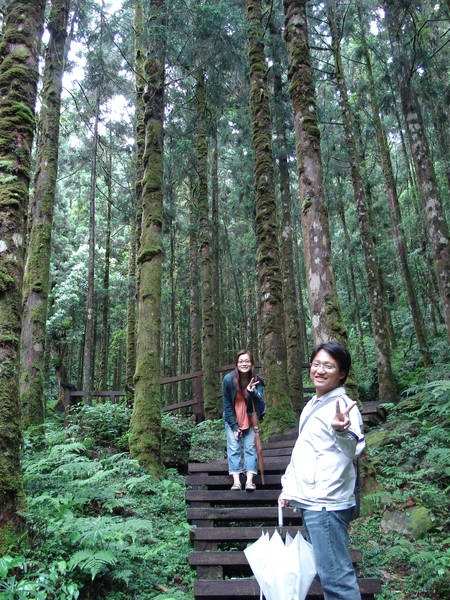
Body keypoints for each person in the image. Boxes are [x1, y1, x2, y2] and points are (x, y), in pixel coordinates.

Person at [279, 341, 366, 600]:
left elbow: (353, 448)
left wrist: (343, 430)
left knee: (337, 582)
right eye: (316, 364)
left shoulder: (344, 406)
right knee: (331, 576)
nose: (320, 370)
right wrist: (289, 488)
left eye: (329, 366)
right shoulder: (313, 404)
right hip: (313, 502)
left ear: (341, 373)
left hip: (326, 504)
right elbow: (305, 453)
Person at [223, 350, 265, 491]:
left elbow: (259, 403)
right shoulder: (228, 380)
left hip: (250, 418)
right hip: (233, 418)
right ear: (236, 364)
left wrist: (252, 392)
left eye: (247, 361)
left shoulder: (257, 380)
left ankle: (249, 481)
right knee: (234, 448)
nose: (244, 364)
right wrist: (234, 427)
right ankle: (236, 482)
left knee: (250, 448)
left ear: (252, 363)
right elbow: (227, 405)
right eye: (241, 361)